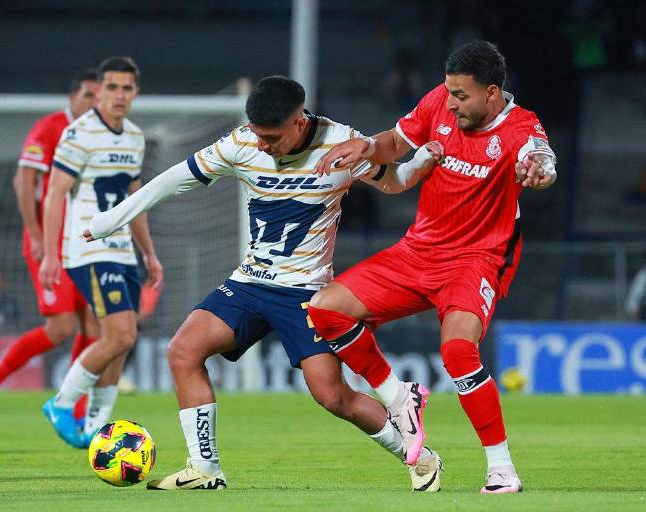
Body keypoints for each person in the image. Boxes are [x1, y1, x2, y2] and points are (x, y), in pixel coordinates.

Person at [84, 76, 444, 491]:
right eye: (257, 134)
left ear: (298, 122)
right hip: (251, 283)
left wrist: (420, 162)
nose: (262, 145)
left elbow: (393, 181)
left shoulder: (340, 142)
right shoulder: (241, 143)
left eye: (271, 137)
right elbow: (174, 179)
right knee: (183, 350)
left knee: (332, 396)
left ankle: (422, 458)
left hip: (307, 293)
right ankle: (204, 469)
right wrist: (112, 220)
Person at [308, 41, 558, 494]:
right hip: (418, 251)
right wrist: (366, 145)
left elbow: (540, 157)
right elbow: (393, 143)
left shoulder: (520, 126)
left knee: (458, 352)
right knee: (326, 308)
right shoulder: (439, 100)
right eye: (449, 92)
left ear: (492, 93)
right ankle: (398, 397)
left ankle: (501, 469)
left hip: (476, 259)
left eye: (462, 95)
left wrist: (540, 169)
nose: (452, 102)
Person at [39, 56, 163, 448]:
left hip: (123, 249)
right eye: (111, 87)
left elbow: (135, 202)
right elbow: (55, 194)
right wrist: (50, 254)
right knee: (122, 335)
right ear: (99, 91)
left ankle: (96, 423)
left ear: (136, 92)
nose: (119, 95)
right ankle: (61, 402)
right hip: (89, 248)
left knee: (120, 338)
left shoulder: (134, 137)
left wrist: (149, 253)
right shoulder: (79, 134)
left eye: (127, 88)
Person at [0, 70, 100, 426]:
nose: (94, 103)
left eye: (98, 97)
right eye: (88, 95)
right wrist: (37, 235)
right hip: (50, 243)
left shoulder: (99, 135)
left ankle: (74, 408)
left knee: (94, 322)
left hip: (83, 242)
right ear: (72, 97)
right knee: (60, 328)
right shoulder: (51, 127)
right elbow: (23, 180)